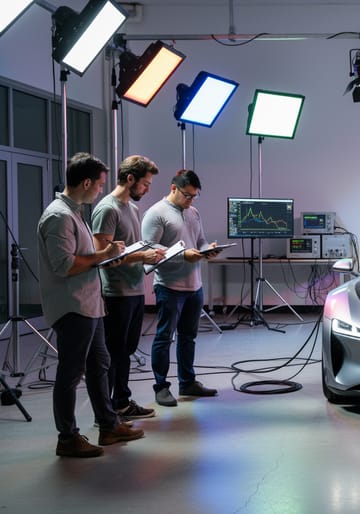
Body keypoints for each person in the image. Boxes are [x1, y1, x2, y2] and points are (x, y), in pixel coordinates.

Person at [37, 152, 145, 458]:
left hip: (90, 305)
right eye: (99, 184)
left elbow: (83, 258)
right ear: (86, 182)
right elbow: (65, 266)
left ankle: (108, 425)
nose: (101, 190)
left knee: (101, 366)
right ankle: (67, 437)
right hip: (73, 308)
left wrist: (107, 254)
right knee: (70, 374)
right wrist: (105, 254)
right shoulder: (59, 216)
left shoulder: (76, 212)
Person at [91, 155, 165, 420]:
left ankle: (121, 402)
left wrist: (153, 252)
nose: (147, 189)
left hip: (134, 290)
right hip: (116, 293)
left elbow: (131, 247)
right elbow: (102, 257)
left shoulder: (132, 210)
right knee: (114, 354)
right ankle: (109, 413)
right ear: (130, 179)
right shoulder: (107, 209)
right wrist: (140, 257)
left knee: (126, 352)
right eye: (145, 184)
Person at [141, 169, 222, 407]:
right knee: (164, 337)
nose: (190, 200)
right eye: (187, 195)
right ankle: (161, 387)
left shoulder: (193, 212)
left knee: (189, 337)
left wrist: (209, 249)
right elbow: (149, 250)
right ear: (173, 188)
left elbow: (200, 242)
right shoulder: (155, 214)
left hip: (194, 287)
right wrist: (183, 256)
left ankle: (187, 382)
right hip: (169, 286)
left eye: (194, 196)